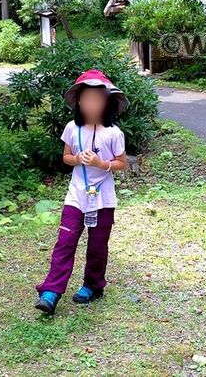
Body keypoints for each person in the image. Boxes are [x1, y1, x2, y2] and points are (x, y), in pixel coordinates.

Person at [34, 69, 130, 315]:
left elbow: (122, 163)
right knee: (65, 242)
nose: (92, 104)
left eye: (98, 99)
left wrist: (101, 163)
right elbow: (66, 157)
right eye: (87, 98)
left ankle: (93, 285)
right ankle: (51, 292)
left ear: (107, 101)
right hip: (76, 197)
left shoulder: (114, 133)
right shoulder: (71, 128)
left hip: (103, 199)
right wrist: (77, 158)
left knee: (98, 246)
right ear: (78, 100)